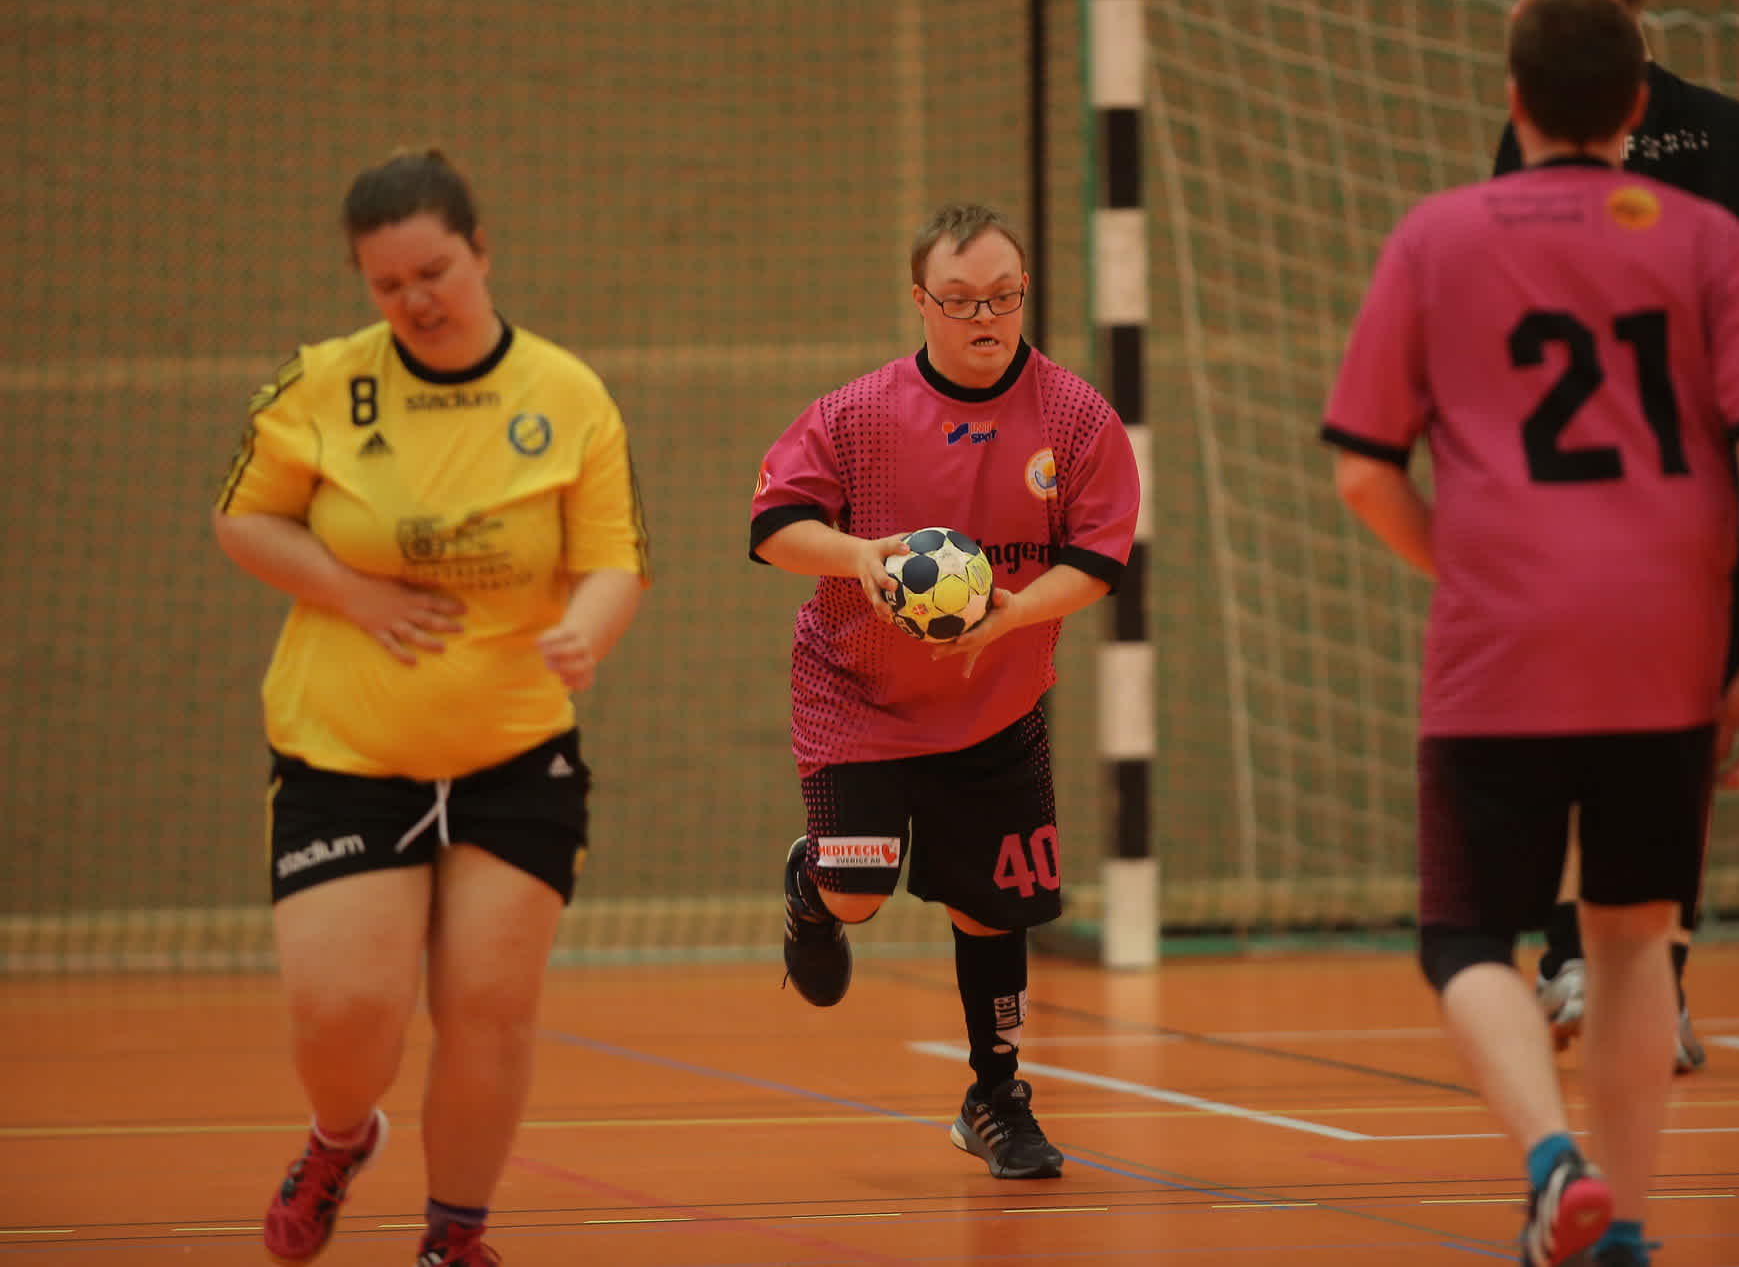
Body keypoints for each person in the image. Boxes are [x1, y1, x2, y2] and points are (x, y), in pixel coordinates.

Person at [1322, 0, 1739, 1267]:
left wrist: (1464, 566)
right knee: (1635, 933)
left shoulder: (1435, 237)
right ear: (1638, 108)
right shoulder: (1707, 241)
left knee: (1466, 935)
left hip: (1501, 647)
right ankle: (1628, 1229)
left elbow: (1362, 472)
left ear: (1511, 100)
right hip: (1666, 644)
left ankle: (1552, 1165)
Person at [213, 148, 650, 1267]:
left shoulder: (566, 394)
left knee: (488, 1014)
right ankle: (339, 1137)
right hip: (347, 750)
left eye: (434, 271)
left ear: (480, 249)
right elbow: (244, 521)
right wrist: (356, 595)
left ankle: (454, 1239)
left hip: (513, 753)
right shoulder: (320, 382)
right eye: (387, 283)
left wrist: (585, 632)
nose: (416, 300)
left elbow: (615, 561)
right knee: (344, 1023)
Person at [1492, 0, 1739, 1074]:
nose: (1519, 4)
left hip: (1572, 497)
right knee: (1670, 760)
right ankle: (1654, 994)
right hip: (1702, 497)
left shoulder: (1535, 139)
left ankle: (1564, 965)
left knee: (1562, 745)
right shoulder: (1735, 133)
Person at [750, 203, 1140, 1180]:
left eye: (1003, 297)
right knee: (857, 891)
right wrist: (859, 558)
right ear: (919, 300)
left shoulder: (1076, 418)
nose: (984, 317)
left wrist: (1011, 617)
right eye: (960, 298)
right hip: (858, 696)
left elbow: (1096, 558)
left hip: (996, 705)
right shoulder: (856, 415)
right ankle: (813, 892)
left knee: (990, 909)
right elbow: (773, 527)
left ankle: (995, 1095)